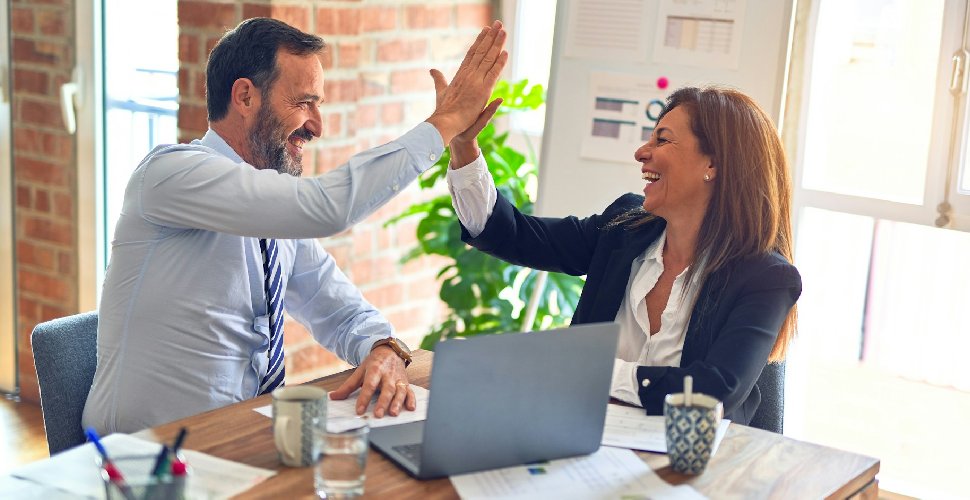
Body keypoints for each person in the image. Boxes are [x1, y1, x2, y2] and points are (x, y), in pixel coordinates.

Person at [82, 17, 508, 434]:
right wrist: (446, 123)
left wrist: (383, 347)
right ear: (245, 97)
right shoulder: (171, 174)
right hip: (143, 460)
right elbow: (327, 207)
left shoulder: (273, 215)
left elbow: (338, 308)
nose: (317, 126)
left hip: (238, 442)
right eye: (304, 102)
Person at [446, 86, 801, 425]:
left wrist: (592, 369)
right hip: (584, 439)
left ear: (714, 164)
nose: (641, 152)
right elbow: (513, 235)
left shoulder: (765, 278)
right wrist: (464, 146)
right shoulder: (624, 228)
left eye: (662, 139)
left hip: (693, 469)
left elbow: (712, 393)